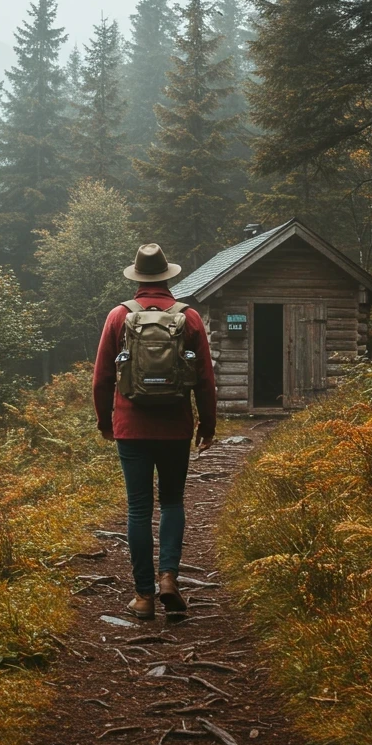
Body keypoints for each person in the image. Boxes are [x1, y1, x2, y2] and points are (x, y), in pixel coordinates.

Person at [93, 243, 217, 619]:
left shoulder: (119, 316)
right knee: (174, 502)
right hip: (176, 427)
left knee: (138, 508)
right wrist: (206, 424)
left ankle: (144, 597)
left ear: (137, 278)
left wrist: (106, 421)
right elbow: (205, 379)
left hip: (131, 427)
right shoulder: (189, 317)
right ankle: (169, 579)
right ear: (167, 277)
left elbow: (103, 378)